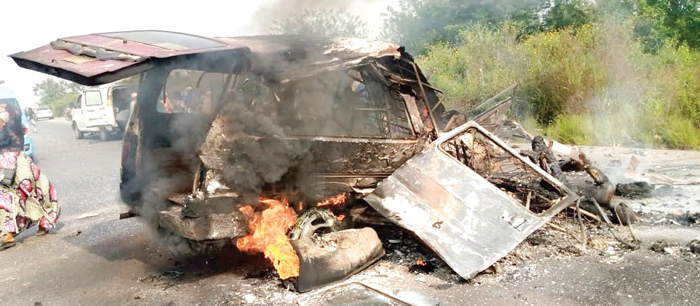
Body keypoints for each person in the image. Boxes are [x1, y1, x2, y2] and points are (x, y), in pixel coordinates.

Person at [0, 102, 60, 250]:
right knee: (15, 197)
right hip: (13, 163)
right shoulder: (11, 115)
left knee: (29, 194)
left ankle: (11, 232)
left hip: (12, 164)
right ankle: (8, 233)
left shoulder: (7, 117)